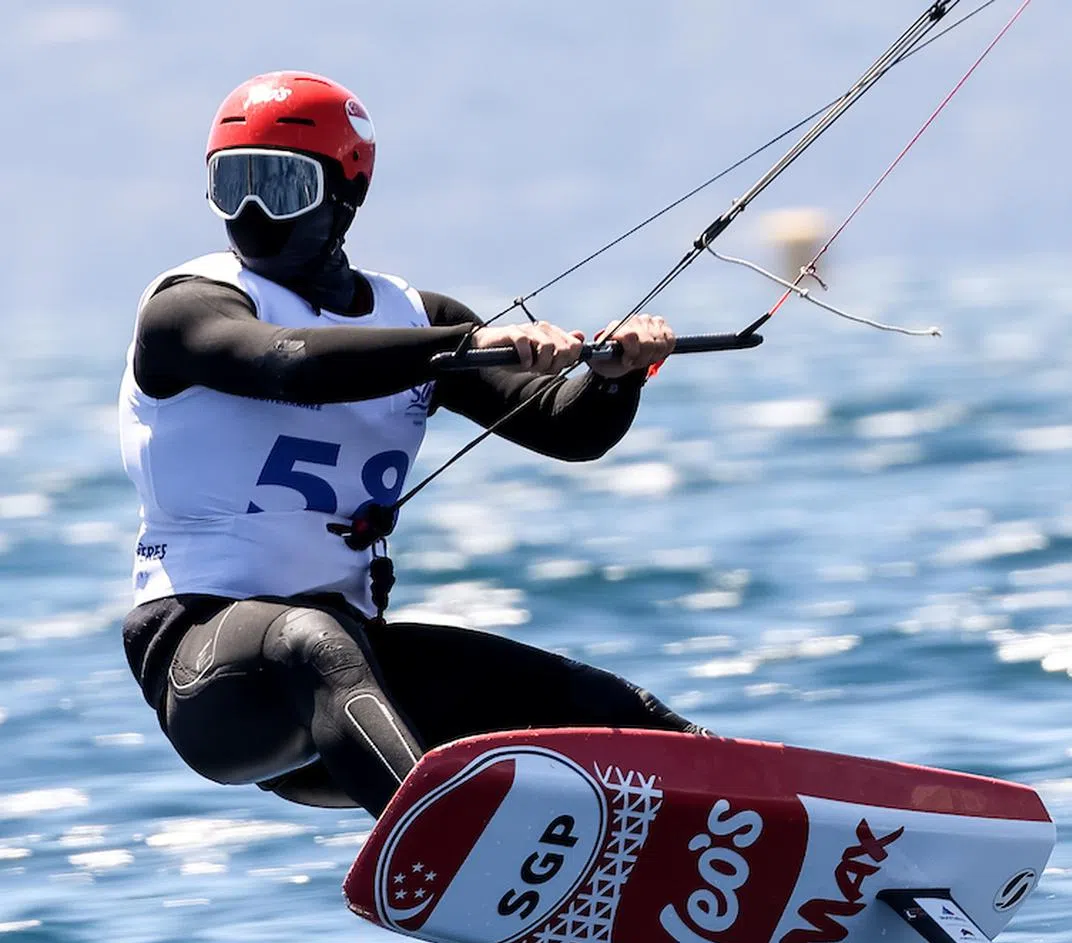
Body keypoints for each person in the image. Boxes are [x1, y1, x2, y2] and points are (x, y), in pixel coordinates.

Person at [119, 70, 704, 820]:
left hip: (353, 686)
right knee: (310, 641)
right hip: (208, 671)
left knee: (604, 709)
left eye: (281, 185)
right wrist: (465, 346)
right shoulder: (187, 309)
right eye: (233, 185)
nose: (253, 211)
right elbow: (292, 365)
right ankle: (450, 845)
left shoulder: (415, 316)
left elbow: (567, 429)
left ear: (347, 190)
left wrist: (615, 378)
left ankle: (765, 814)